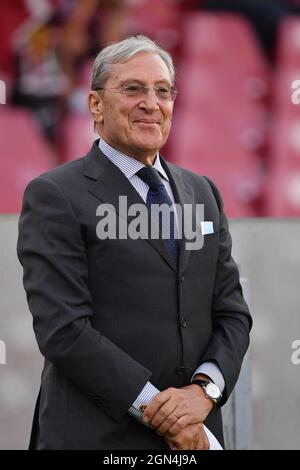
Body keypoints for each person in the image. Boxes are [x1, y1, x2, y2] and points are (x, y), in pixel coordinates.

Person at [17, 35, 252, 450]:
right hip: (95, 437)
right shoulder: (55, 195)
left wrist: (204, 393)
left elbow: (231, 313)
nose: (151, 102)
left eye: (163, 90)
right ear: (95, 105)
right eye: (132, 89)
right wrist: (162, 413)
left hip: (194, 438)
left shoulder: (203, 193)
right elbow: (64, 330)